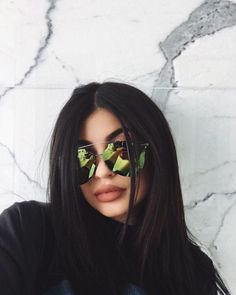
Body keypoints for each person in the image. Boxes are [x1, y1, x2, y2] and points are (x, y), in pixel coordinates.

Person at [0, 82, 231, 295]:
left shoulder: (191, 270)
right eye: (82, 158)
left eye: (122, 151)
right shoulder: (29, 230)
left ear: (156, 155)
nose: (102, 172)